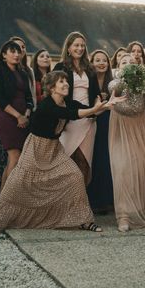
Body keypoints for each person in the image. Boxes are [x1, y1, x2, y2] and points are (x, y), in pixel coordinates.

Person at [0, 71, 122, 236]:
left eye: (66, 82)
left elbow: (88, 112)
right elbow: (72, 115)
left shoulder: (66, 102)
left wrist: (104, 106)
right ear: (51, 87)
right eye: (61, 82)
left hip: (54, 149)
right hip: (36, 148)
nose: (66, 84)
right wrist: (95, 108)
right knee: (17, 184)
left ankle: (83, 220)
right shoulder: (47, 105)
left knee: (74, 176)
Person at [108, 53, 145, 231]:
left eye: (132, 62)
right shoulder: (114, 82)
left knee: (143, 168)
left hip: (141, 127)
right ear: (118, 67)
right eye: (124, 62)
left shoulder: (141, 82)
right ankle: (123, 216)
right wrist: (125, 77)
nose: (128, 64)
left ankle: (142, 210)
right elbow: (116, 90)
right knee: (123, 169)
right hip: (121, 129)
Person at [54, 32, 100, 183]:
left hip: (88, 119)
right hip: (70, 119)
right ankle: (66, 202)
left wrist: (97, 107)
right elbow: (55, 92)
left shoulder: (90, 68)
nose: (80, 48)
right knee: (68, 160)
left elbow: (96, 94)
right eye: (76, 45)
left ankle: (80, 202)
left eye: (82, 45)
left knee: (84, 161)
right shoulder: (60, 67)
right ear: (68, 48)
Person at [0, 41, 34, 191]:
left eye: (18, 52)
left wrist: (27, 115)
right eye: (12, 51)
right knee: (15, 157)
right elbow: (0, 99)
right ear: (4, 55)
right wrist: (18, 116)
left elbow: (29, 97)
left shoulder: (23, 73)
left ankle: (3, 198)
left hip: (25, 118)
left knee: (16, 159)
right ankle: (6, 201)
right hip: (8, 118)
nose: (16, 55)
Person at [87, 50, 115, 214]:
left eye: (104, 60)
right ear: (92, 62)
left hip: (107, 121)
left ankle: (106, 199)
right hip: (90, 119)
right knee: (92, 158)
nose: (101, 63)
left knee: (105, 159)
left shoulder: (112, 81)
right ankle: (92, 199)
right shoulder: (88, 80)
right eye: (97, 60)